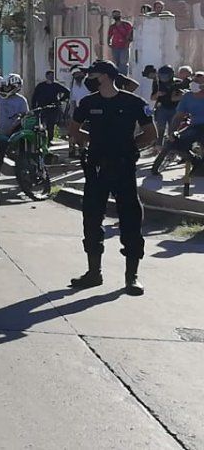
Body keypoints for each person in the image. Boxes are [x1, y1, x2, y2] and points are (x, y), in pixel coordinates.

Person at [69, 60, 156, 295]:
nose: (89, 79)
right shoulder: (88, 102)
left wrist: (129, 147)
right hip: (97, 168)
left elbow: (151, 134)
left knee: (130, 220)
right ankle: (93, 273)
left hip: (123, 168)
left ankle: (131, 276)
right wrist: (96, 142)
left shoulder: (133, 102)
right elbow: (74, 130)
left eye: (93, 75)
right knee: (91, 218)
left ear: (106, 76)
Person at [162, 70, 204, 172]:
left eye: (198, 82)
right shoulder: (187, 96)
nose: (194, 83)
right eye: (194, 81)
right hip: (194, 126)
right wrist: (172, 132)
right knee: (174, 143)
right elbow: (178, 116)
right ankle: (196, 161)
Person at [0, 74, 29, 179]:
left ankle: (24, 175)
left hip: (16, 133)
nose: (5, 89)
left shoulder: (21, 100)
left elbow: (24, 116)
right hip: (0, 133)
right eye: (4, 87)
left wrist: (15, 124)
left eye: (8, 87)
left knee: (22, 153)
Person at [150, 65, 186, 147]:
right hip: (161, 108)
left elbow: (181, 96)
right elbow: (152, 98)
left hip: (175, 109)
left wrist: (177, 96)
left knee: (172, 131)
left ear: (171, 75)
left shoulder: (178, 82)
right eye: (161, 76)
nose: (163, 78)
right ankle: (159, 148)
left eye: (165, 76)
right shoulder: (157, 83)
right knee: (160, 131)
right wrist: (158, 94)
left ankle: (172, 149)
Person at [31, 70, 70, 144]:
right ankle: (41, 141)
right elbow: (34, 97)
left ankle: (50, 140)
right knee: (40, 125)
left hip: (52, 108)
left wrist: (60, 100)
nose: (51, 77)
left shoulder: (56, 85)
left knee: (50, 125)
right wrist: (34, 108)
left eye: (52, 76)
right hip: (41, 108)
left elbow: (67, 92)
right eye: (50, 76)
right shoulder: (40, 86)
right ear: (46, 76)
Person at [67, 66, 91, 158]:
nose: (77, 76)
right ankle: (72, 150)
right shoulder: (73, 85)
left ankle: (84, 149)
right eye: (75, 74)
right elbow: (73, 100)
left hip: (88, 111)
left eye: (78, 74)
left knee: (85, 131)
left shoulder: (88, 83)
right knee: (73, 132)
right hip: (78, 111)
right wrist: (72, 113)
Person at [107, 9, 134, 75]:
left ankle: (123, 77)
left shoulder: (126, 25)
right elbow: (109, 35)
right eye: (114, 15)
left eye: (117, 14)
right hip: (115, 47)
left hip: (124, 47)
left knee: (123, 63)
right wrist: (108, 43)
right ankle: (117, 76)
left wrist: (128, 42)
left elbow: (131, 34)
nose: (115, 16)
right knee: (116, 63)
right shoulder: (112, 27)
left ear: (120, 15)